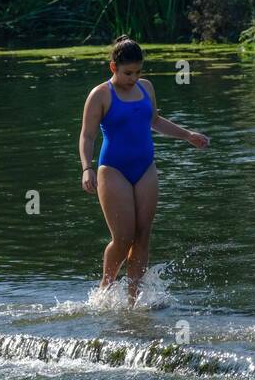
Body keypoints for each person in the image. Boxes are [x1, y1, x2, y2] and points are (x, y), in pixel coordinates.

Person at [78, 35, 208, 302]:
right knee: (123, 237)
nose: (133, 78)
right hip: (113, 169)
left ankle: (133, 298)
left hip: (145, 167)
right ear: (113, 67)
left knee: (143, 234)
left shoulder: (146, 87)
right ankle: (105, 288)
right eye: (128, 73)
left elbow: (155, 120)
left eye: (138, 72)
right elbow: (87, 136)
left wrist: (187, 135)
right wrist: (86, 168)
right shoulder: (100, 94)